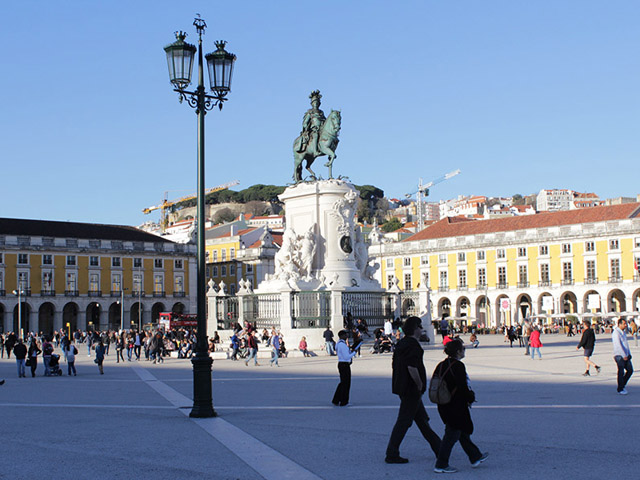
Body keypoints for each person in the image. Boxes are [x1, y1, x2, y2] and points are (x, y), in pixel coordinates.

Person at [385, 316, 442, 464]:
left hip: (403, 387)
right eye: (420, 326)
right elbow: (412, 367)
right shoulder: (412, 345)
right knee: (404, 421)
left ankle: (439, 448)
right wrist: (419, 384)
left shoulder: (402, 343)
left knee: (422, 421)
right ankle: (391, 453)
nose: (421, 329)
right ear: (415, 328)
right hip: (411, 389)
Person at [433, 339, 488, 473]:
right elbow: (462, 386)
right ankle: (441, 464)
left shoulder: (441, 364)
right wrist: (470, 397)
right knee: (451, 434)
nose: (464, 351)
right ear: (458, 352)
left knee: (461, 431)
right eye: (463, 349)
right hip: (455, 405)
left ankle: (475, 456)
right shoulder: (458, 366)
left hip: (443, 403)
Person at [332, 330, 357, 406]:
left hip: (341, 363)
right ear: (342, 335)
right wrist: (354, 353)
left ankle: (336, 399)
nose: (347, 335)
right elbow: (346, 356)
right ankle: (344, 401)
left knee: (342, 383)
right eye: (345, 334)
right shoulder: (342, 345)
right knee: (346, 383)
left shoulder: (339, 344)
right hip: (344, 364)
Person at [612, 318, 633, 395]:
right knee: (621, 371)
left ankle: (622, 384)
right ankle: (620, 388)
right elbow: (618, 345)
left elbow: (625, 344)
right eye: (624, 324)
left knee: (630, 370)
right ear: (619, 324)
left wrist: (628, 353)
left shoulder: (623, 332)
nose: (625, 325)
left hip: (626, 355)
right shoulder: (616, 333)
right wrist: (623, 355)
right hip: (619, 355)